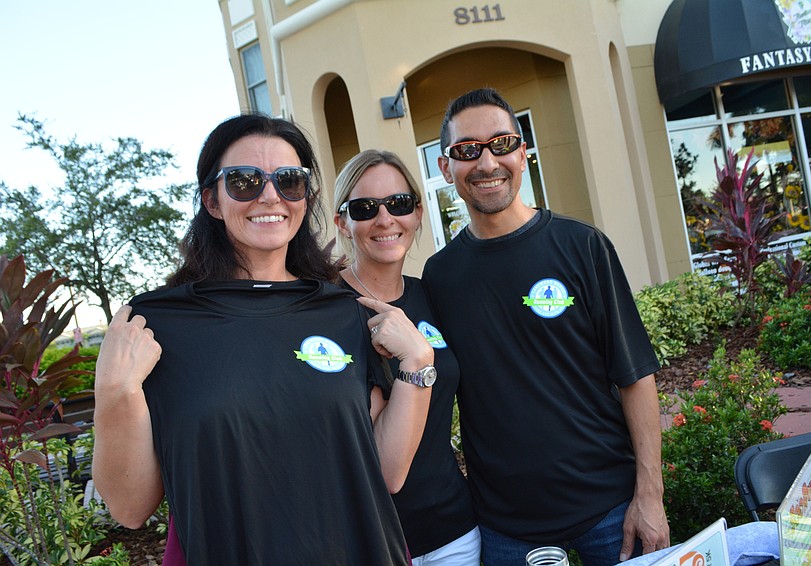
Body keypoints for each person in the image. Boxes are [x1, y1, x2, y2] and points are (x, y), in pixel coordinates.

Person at [92, 114, 435, 564]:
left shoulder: (341, 312)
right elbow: (130, 508)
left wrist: (417, 364)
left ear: (305, 198)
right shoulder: (157, 324)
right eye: (245, 181)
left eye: (289, 181)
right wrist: (114, 390)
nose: (271, 195)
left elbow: (387, 472)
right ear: (212, 200)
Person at [421, 88, 670, 566]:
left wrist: (649, 495)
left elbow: (636, 375)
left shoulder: (583, 246)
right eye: (467, 150)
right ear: (445, 167)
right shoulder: (440, 276)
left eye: (501, 144)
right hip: (506, 528)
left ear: (522, 153)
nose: (487, 162)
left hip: (611, 510)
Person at [333, 149, 480, 565]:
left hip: (454, 534)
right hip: (369, 542)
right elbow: (386, 471)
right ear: (343, 222)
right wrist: (416, 359)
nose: (385, 219)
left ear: (417, 213)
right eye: (365, 208)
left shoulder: (431, 294)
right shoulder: (325, 311)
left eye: (398, 204)